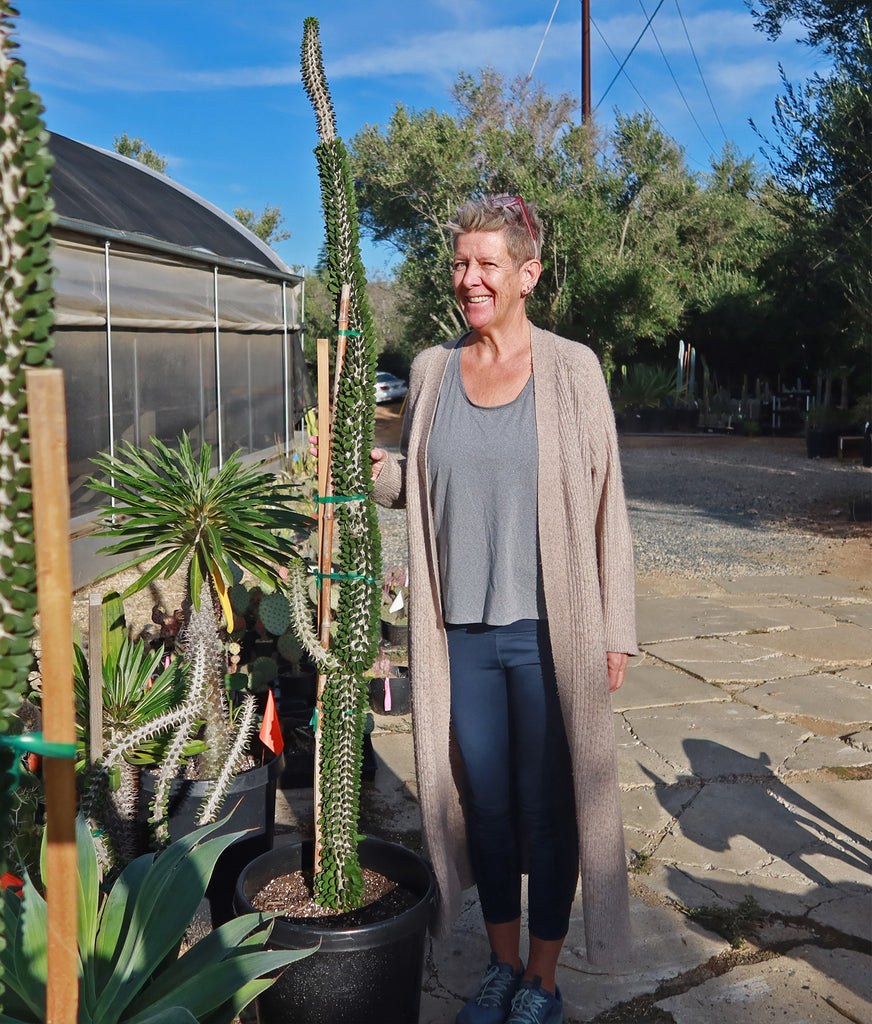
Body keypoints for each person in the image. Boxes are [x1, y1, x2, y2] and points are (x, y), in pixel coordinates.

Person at [370, 194, 637, 1024]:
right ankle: (502, 964)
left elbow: (607, 505)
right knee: (479, 801)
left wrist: (616, 627)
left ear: (528, 274)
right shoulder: (432, 370)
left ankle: (545, 983)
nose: (469, 279)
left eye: (486, 263)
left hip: (552, 631)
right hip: (461, 638)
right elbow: (416, 480)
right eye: (459, 263)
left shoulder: (573, 370)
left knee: (547, 804)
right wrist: (352, 468)